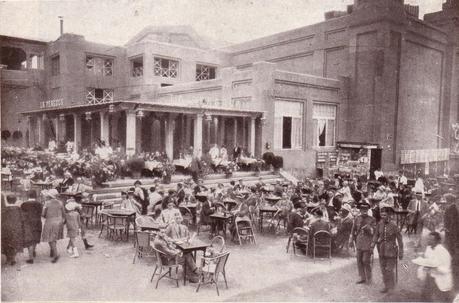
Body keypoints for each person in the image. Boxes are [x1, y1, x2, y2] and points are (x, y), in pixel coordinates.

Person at [371, 206, 403, 293]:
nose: (383, 217)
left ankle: (391, 286)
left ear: (389, 215)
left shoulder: (394, 225)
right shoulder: (379, 224)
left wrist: (400, 252)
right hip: (381, 249)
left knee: (389, 270)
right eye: (382, 215)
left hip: (391, 251)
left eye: (384, 215)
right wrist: (372, 245)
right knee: (383, 269)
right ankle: (386, 286)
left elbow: (399, 239)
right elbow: (376, 235)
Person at [417, 231, 453, 302]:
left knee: (440, 298)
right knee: (425, 296)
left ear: (437, 241)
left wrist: (434, 267)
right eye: (428, 239)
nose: (428, 241)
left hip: (441, 278)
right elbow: (427, 260)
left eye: (431, 240)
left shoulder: (443, 252)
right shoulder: (429, 248)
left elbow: (446, 269)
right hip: (430, 276)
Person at [350, 202, 376, 284]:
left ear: (368, 210)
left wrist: (369, 228)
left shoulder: (372, 219)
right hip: (359, 242)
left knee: (366, 260)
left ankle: (369, 277)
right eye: (362, 210)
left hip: (367, 242)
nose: (364, 211)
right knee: (359, 260)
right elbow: (353, 229)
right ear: (360, 210)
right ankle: (362, 277)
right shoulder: (357, 218)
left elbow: (374, 232)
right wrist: (351, 239)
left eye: (365, 209)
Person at [41, 189, 65, 263]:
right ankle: (52, 250)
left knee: (50, 238)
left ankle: (55, 254)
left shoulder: (47, 203)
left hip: (50, 221)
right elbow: (64, 213)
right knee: (54, 236)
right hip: (59, 221)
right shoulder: (60, 203)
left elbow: (43, 214)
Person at [21, 190, 43, 264]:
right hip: (37, 223)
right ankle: (33, 250)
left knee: (29, 239)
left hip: (28, 223)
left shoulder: (24, 204)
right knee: (35, 237)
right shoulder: (39, 204)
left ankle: (31, 258)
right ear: (36, 196)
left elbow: (22, 215)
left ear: (28, 196)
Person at [1, 195, 24, 266]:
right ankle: (13, 258)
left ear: (7, 200)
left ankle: (8, 258)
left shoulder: (4, 209)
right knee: (15, 242)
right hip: (16, 228)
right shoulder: (19, 209)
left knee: (6, 242)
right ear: (15, 200)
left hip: (6, 228)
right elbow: (22, 219)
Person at [444, 193, 459, 292]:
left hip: (451, 232)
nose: (445, 200)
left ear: (449, 200)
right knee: (450, 247)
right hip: (450, 231)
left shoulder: (452, 208)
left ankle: (452, 264)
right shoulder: (451, 207)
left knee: (450, 247)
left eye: (446, 199)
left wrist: (449, 229)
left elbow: (453, 221)